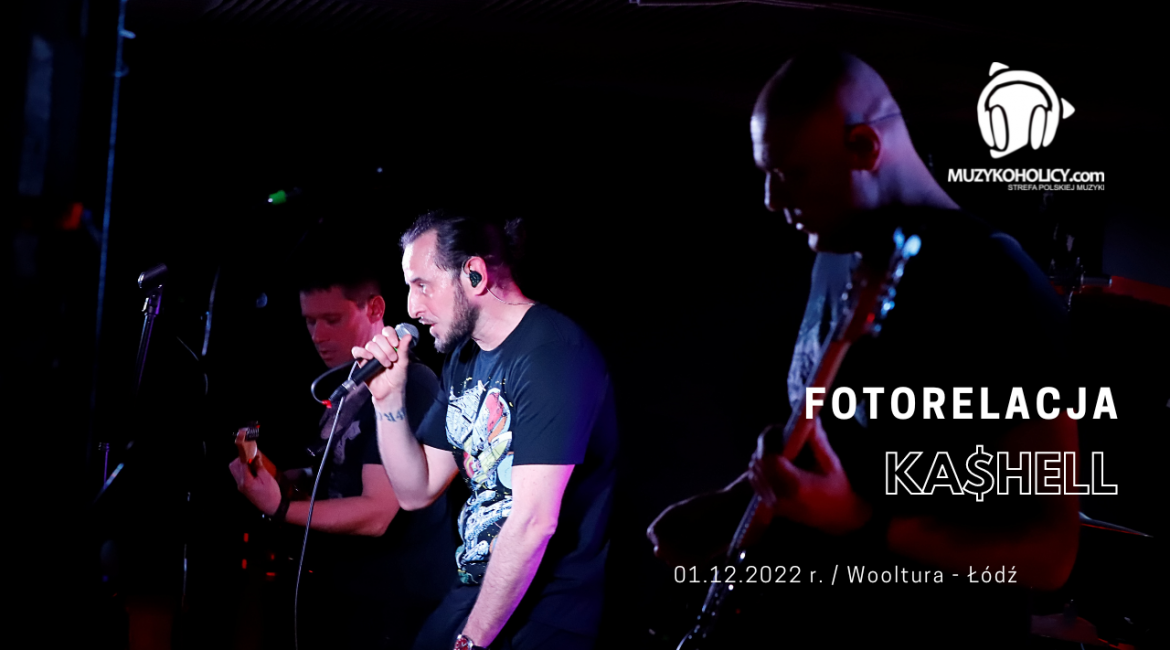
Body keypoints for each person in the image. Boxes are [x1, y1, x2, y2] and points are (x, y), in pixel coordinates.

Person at [648, 50, 1081, 648]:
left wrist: (866, 524)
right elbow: (851, 455)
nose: (771, 199)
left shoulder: (998, 283)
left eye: (791, 173)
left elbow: (1049, 554)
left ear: (864, 148)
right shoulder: (839, 255)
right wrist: (734, 503)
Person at [351, 210, 618, 650]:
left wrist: (470, 643)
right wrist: (388, 400)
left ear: (473, 275)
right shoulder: (464, 359)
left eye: (422, 285)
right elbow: (416, 490)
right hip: (476, 590)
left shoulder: (552, 355)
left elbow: (533, 523)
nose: (412, 308)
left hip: (546, 609)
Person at [228, 261, 457, 650]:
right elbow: (340, 472)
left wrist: (280, 507)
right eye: (310, 322)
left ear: (375, 308)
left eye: (332, 319)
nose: (318, 335)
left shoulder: (410, 383)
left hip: (394, 609)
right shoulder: (349, 386)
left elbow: (376, 513)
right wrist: (283, 477)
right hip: (348, 599)